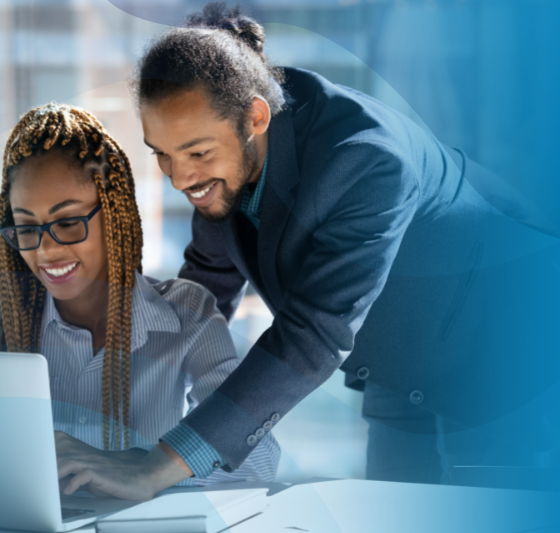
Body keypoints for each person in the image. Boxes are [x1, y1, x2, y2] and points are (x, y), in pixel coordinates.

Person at [58, 3, 560, 498]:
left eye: (196, 152)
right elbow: (204, 288)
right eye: (162, 154)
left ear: (254, 116)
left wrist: (158, 467)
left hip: (506, 351)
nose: (180, 177)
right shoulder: (225, 157)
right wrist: (123, 428)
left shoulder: (364, 159)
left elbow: (312, 333)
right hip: (403, 360)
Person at [0, 102, 279, 488]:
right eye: (26, 228)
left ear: (112, 215)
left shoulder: (186, 313)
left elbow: (258, 459)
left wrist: (144, 470)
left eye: (69, 222)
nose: (46, 251)